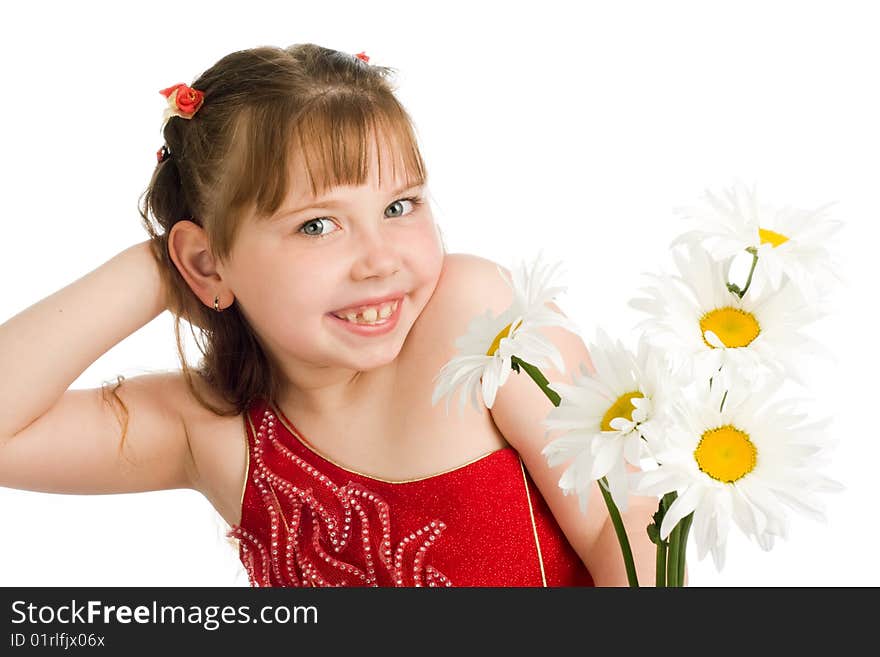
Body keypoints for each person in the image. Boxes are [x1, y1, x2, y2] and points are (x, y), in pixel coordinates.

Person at [0, 43, 658, 587]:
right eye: (317, 224)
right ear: (204, 264)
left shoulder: (478, 324)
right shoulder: (208, 429)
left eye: (399, 207)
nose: (379, 259)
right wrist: (155, 270)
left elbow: (621, 520)